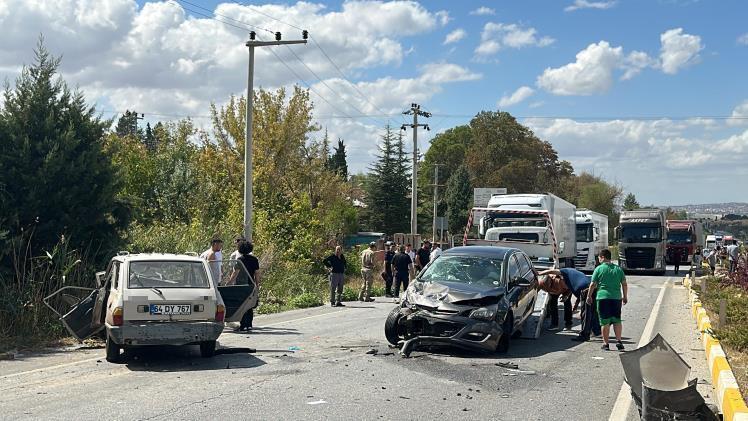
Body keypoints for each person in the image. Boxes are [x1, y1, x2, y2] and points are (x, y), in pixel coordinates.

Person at [587, 249, 627, 351]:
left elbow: (592, 284)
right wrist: (625, 296)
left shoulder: (599, 269)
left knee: (605, 322)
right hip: (616, 298)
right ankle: (619, 341)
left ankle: (606, 344)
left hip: (603, 298)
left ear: (603, 257)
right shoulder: (618, 269)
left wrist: (589, 296)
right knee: (617, 320)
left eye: (599, 258)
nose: (598, 260)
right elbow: (624, 284)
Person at [227, 241, 260, 331]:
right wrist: (257, 284)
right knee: (249, 304)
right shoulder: (254, 259)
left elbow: (235, 273)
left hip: (241, 285)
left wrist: (229, 283)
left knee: (242, 305)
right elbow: (257, 273)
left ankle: (243, 324)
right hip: (251, 283)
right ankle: (249, 324)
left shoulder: (240, 260)